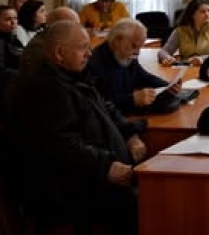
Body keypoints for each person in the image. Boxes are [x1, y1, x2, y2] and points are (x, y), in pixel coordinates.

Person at [7, 20, 144, 234]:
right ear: (59, 53)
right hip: (75, 186)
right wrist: (106, 166)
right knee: (147, 205)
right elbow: (63, 145)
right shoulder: (46, 89)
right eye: (82, 48)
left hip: (102, 169)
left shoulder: (75, 74)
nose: (90, 53)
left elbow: (106, 107)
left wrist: (130, 135)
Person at [87, 18, 180, 114]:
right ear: (117, 41)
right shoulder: (94, 64)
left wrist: (168, 86)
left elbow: (143, 77)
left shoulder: (125, 54)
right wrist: (132, 100)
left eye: (140, 47)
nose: (137, 53)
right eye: (134, 46)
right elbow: (98, 106)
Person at [158, 0, 209, 66]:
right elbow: (163, 51)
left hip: (208, 67)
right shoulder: (180, 31)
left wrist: (202, 59)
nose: (207, 14)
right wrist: (167, 57)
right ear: (192, 14)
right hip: (185, 67)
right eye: (202, 12)